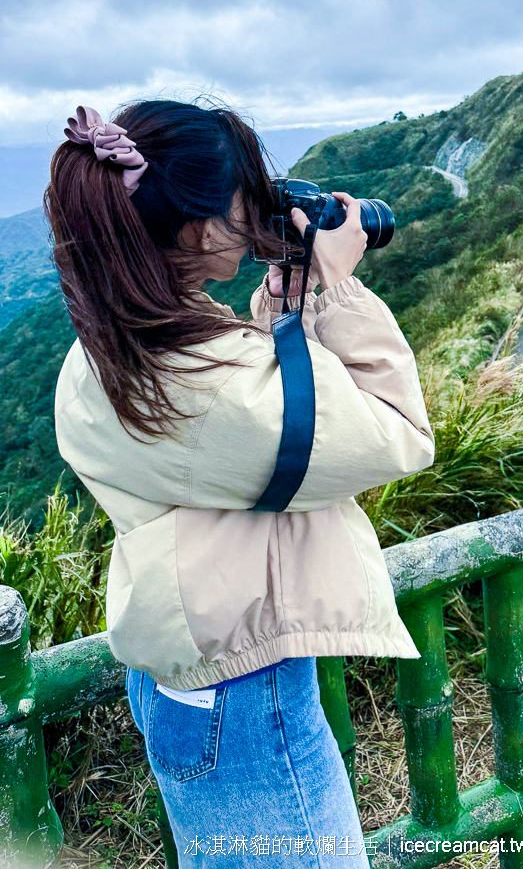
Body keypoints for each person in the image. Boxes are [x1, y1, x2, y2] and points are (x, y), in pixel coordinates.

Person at [49, 100, 435, 866]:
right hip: (242, 693)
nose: (256, 211)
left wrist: (292, 296)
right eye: (242, 199)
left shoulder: (114, 347)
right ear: (193, 227)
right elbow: (397, 432)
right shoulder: (203, 380)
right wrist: (342, 291)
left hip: (199, 674)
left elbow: (263, 402)